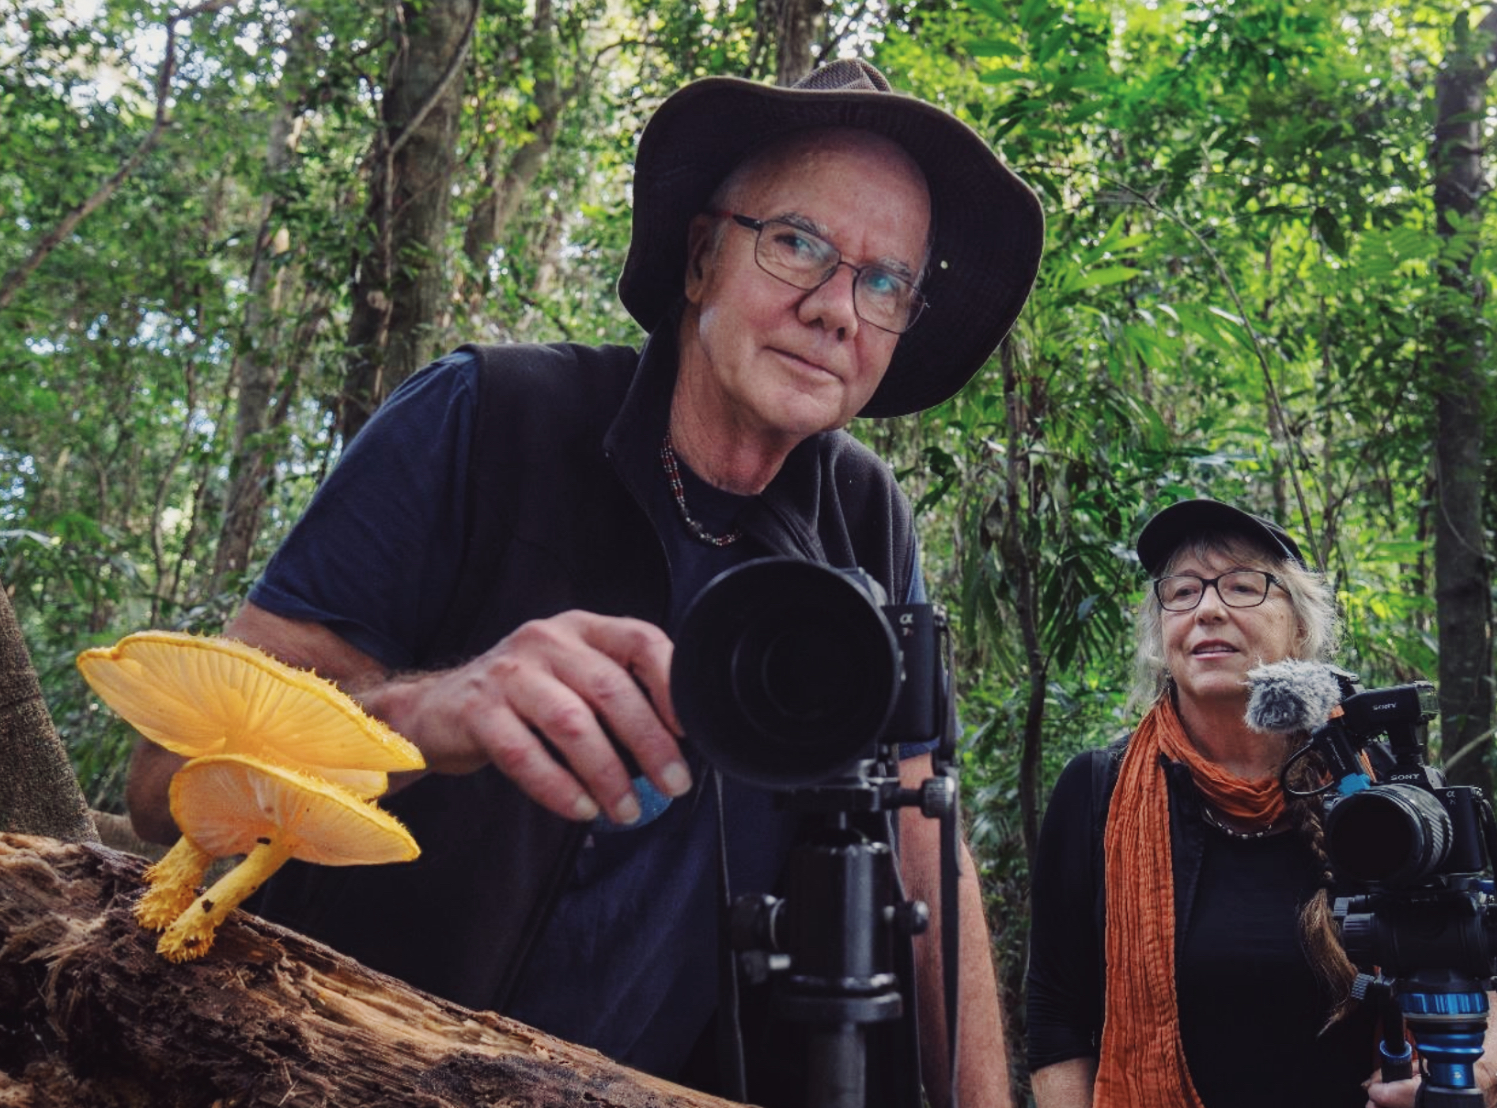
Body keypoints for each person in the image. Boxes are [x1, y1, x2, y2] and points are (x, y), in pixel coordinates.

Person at [125, 58, 1044, 1108]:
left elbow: (925, 837)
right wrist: (426, 713)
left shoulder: (865, 525)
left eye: (885, 282)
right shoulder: (486, 420)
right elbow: (164, 783)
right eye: (798, 243)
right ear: (701, 257)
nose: (838, 307)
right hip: (332, 1072)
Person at [1024, 498, 1497, 1108]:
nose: (1207, 609)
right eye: (1182, 592)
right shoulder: (1098, 789)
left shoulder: (1384, 786)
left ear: (1300, 626)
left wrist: (1483, 1075)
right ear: (1162, 632)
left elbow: (1490, 956)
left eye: (1242, 586)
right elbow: (1056, 1011)